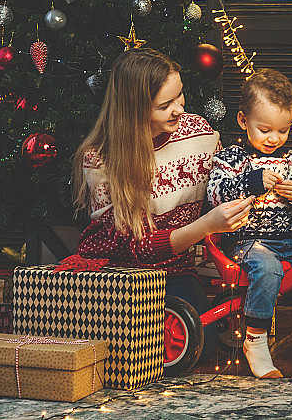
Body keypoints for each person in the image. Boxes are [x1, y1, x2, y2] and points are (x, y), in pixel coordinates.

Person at [72, 48, 254, 362]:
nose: (179, 109)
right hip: (123, 274)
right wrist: (207, 225)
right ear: (134, 109)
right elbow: (137, 247)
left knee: (201, 342)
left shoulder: (198, 132)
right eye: (165, 105)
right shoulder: (101, 158)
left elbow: (225, 183)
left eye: (180, 96)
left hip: (176, 268)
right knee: (153, 350)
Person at [207, 68, 292, 378]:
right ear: (243, 121)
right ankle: (255, 340)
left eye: (282, 130)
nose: (274, 138)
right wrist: (251, 181)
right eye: (265, 129)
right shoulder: (231, 158)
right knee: (266, 268)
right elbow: (214, 194)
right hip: (245, 242)